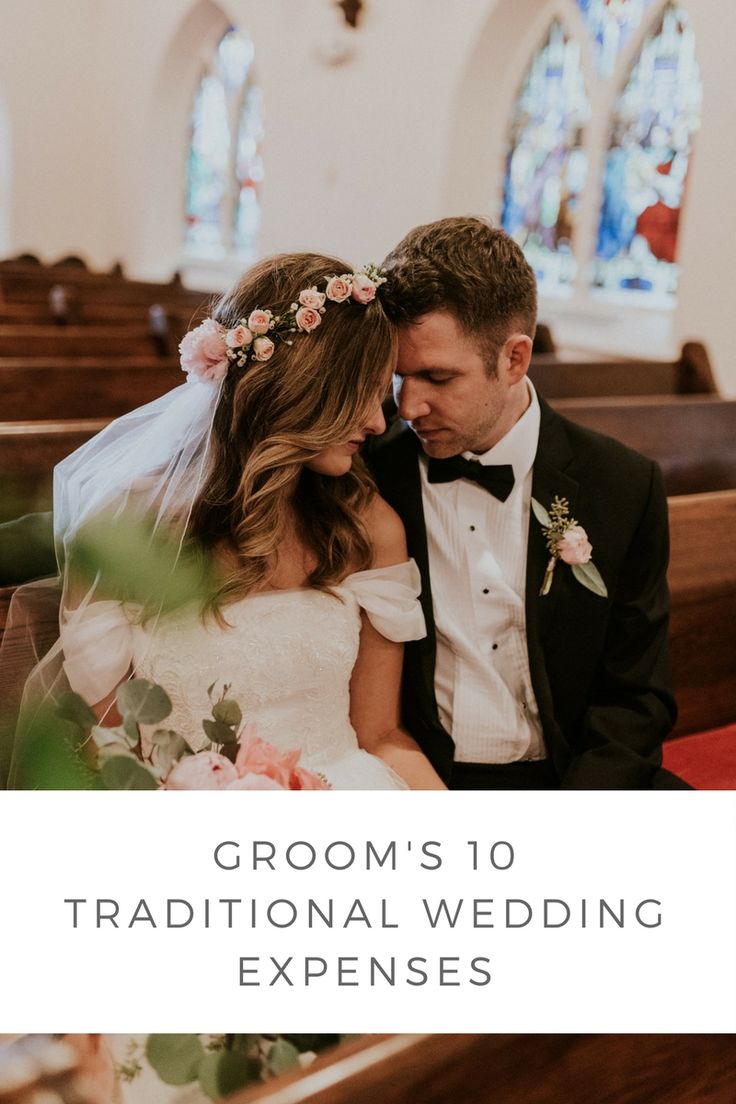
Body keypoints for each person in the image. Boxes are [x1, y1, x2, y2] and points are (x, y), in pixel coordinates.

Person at [2, 252, 445, 791]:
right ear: (301, 388)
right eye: (361, 397)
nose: (378, 422)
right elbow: (109, 756)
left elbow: (381, 736)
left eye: (381, 398)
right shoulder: (135, 529)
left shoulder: (367, 528)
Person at [369, 216, 686, 790]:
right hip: (423, 781)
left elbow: (637, 697)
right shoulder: (371, 475)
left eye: (438, 377)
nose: (410, 406)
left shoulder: (622, 485)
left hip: (576, 779)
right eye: (398, 377)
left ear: (515, 359)